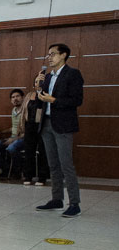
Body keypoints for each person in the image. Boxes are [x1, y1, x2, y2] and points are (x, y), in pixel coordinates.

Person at [35, 43, 84, 217]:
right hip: (47, 124)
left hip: (63, 125)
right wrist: (38, 89)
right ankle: (57, 199)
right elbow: (41, 101)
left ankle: (74, 203)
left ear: (63, 55)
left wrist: (54, 100)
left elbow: (77, 100)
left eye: (53, 54)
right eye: (48, 54)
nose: (50, 57)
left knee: (66, 164)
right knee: (52, 164)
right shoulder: (47, 77)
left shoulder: (73, 74)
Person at [0, 89, 26, 178]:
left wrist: (13, 139)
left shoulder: (26, 111)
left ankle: (18, 171)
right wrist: (0, 131)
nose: (15, 99)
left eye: (17, 96)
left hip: (23, 139)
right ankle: (7, 169)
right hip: (12, 138)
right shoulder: (14, 110)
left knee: (11, 148)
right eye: (13, 97)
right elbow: (14, 128)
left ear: (23, 98)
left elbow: (28, 132)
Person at [20, 76, 50, 186]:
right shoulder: (29, 95)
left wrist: (40, 93)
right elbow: (24, 111)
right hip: (29, 126)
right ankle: (28, 175)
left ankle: (42, 177)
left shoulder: (46, 95)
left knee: (43, 152)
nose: (39, 83)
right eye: (37, 81)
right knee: (29, 151)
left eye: (41, 81)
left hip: (42, 126)